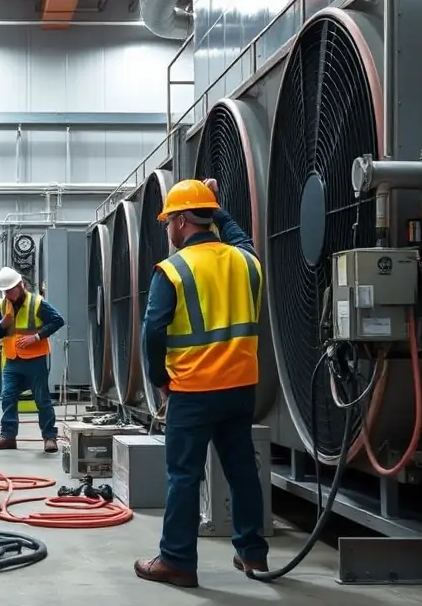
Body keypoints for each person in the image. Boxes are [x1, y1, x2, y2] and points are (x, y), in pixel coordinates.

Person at [134, 178, 268, 589]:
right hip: (241, 388)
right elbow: (240, 237)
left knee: (184, 475)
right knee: (243, 470)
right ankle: (253, 555)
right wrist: (217, 206)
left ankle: (177, 561)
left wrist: (160, 379)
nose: (166, 229)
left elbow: (153, 331)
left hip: (192, 390)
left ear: (180, 221)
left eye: (167, 221)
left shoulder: (173, 270)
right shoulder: (248, 262)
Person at [0, 266, 65, 453]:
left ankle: (49, 438)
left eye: (11, 290)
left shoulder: (37, 303)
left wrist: (36, 337)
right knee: (8, 397)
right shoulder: (1, 305)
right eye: (5, 291)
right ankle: (8, 437)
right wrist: (2, 326)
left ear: (20, 285)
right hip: (12, 360)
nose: (8, 295)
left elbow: (57, 320)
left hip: (35, 360)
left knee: (42, 398)